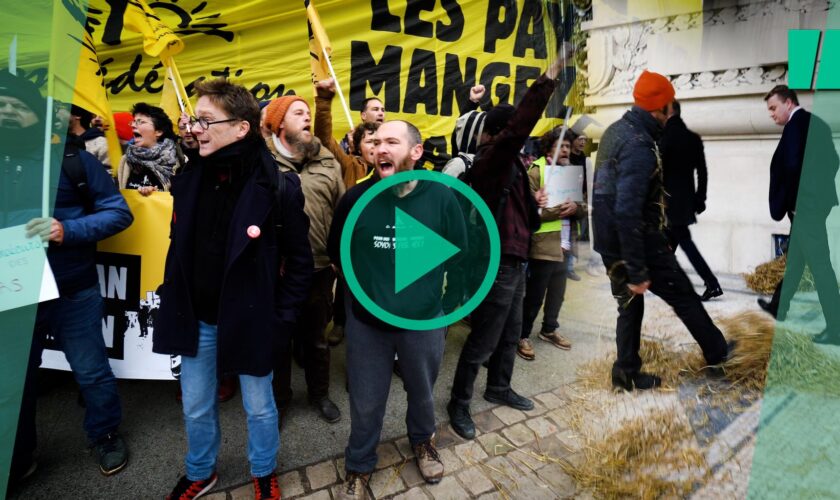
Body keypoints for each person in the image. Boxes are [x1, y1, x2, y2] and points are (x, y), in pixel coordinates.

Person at [153, 78, 313, 500]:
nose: (195, 128)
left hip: (254, 319)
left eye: (205, 120)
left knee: (260, 408)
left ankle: (263, 470)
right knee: (196, 405)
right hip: (198, 317)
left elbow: (300, 264)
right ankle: (200, 471)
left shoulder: (279, 186)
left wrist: (281, 321)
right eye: (194, 120)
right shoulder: (190, 179)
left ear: (242, 128)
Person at [2, 70, 134, 483]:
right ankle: (18, 456)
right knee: (12, 383)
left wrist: (67, 230)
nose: (6, 111)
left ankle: (105, 434)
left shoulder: (73, 160)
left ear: (36, 113)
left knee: (91, 369)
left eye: (16, 105)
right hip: (13, 296)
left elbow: (118, 211)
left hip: (72, 288)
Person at [327, 120, 466, 498]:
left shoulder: (441, 197)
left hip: (424, 321)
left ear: (415, 152)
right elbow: (339, 258)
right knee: (366, 400)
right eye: (376, 142)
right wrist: (367, 297)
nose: (381, 148)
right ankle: (358, 464)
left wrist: (446, 308)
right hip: (368, 324)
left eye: (392, 141)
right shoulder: (355, 200)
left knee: (422, 392)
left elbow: (460, 253)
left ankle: (423, 441)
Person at [447, 44, 573, 440]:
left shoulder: (516, 168)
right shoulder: (492, 160)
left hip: (518, 261)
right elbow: (520, 125)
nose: (521, 141)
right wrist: (550, 76)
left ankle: (499, 387)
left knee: (511, 331)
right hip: (497, 262)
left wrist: (536, 207)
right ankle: (459, 403)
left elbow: (528, 221)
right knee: (485, 335)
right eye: (511, 135)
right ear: (499, 135)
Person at [592, 70, 731, 391]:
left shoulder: (617, 130)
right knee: (684, 296)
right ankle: (721, 355)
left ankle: (625, 372)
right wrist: (639, 269)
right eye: (670, 105)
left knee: (628, 306)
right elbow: (627, 210)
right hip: (636, 242)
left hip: (609, 242)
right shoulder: (640, 145)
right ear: (661, 107)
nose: (672, 110)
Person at [264, 94, 345, 423]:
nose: (307, 117)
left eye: (309, 113)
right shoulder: (261, 163)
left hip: (319, 269)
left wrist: (340, 257)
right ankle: (280, 401)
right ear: (280, 123)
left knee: (316, 340)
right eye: (299, 113)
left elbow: (342, 213)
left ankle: (319, 395)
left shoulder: (328, 162)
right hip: (276, 274)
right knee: (279, 343)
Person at [759, 85, 840, 344]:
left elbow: (793, 166)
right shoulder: (818, 124)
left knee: (821, 267)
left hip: (804, 208)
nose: (771, 114)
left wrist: (796, 203)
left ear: (789, 103)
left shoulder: (794, 127)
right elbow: (834, 161)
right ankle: (778, 306)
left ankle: (836, 329)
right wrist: (819, 192)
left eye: (773, 108)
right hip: (815, 204)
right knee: (795, 261)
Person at [314, 78, 381, 346]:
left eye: (381, 141)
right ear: (355, 145)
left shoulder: (395, 173)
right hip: (352, 245)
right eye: (369, 141)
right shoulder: (349, 165)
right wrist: (323, 104)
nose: (376, 147)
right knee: (346, 288)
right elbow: (323, 137)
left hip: (379, 248)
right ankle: (341, 323)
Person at [518, 130, 584, 361]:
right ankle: (522, 335)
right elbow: (531, 212)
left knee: (558, 294)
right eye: (560, 146)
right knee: (535, 295)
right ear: (548, 149)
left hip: (565, 245)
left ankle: (549, 329)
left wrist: (577, 208)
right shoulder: (535, 172)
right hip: (542, 245)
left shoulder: (572, 173)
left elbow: (582, 205)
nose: (566, 150)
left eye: (568, 145)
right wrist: (559, 209)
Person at [661, 100, 722, 301]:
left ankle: (712, 283)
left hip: (667, 204)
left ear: (668, 112)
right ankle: (665, 281)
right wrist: (700, 199)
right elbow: (702, 172)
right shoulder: (692, 138)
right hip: (685, 203)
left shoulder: (664, 137)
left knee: (683, 243)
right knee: (667, 244)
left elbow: (658, 174)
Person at [117, 103, 181, 196]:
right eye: (134, 121)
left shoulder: (178, 161)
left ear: (158, 131)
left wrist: (156, 194)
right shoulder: (125, 161)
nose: (133, 125)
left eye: (141, 122)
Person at [67, 104, 111, 169]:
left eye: (101, 116)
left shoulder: (102, 143)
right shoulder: (59, 141)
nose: (97, 119)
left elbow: (107, 174)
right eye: (94, 116)